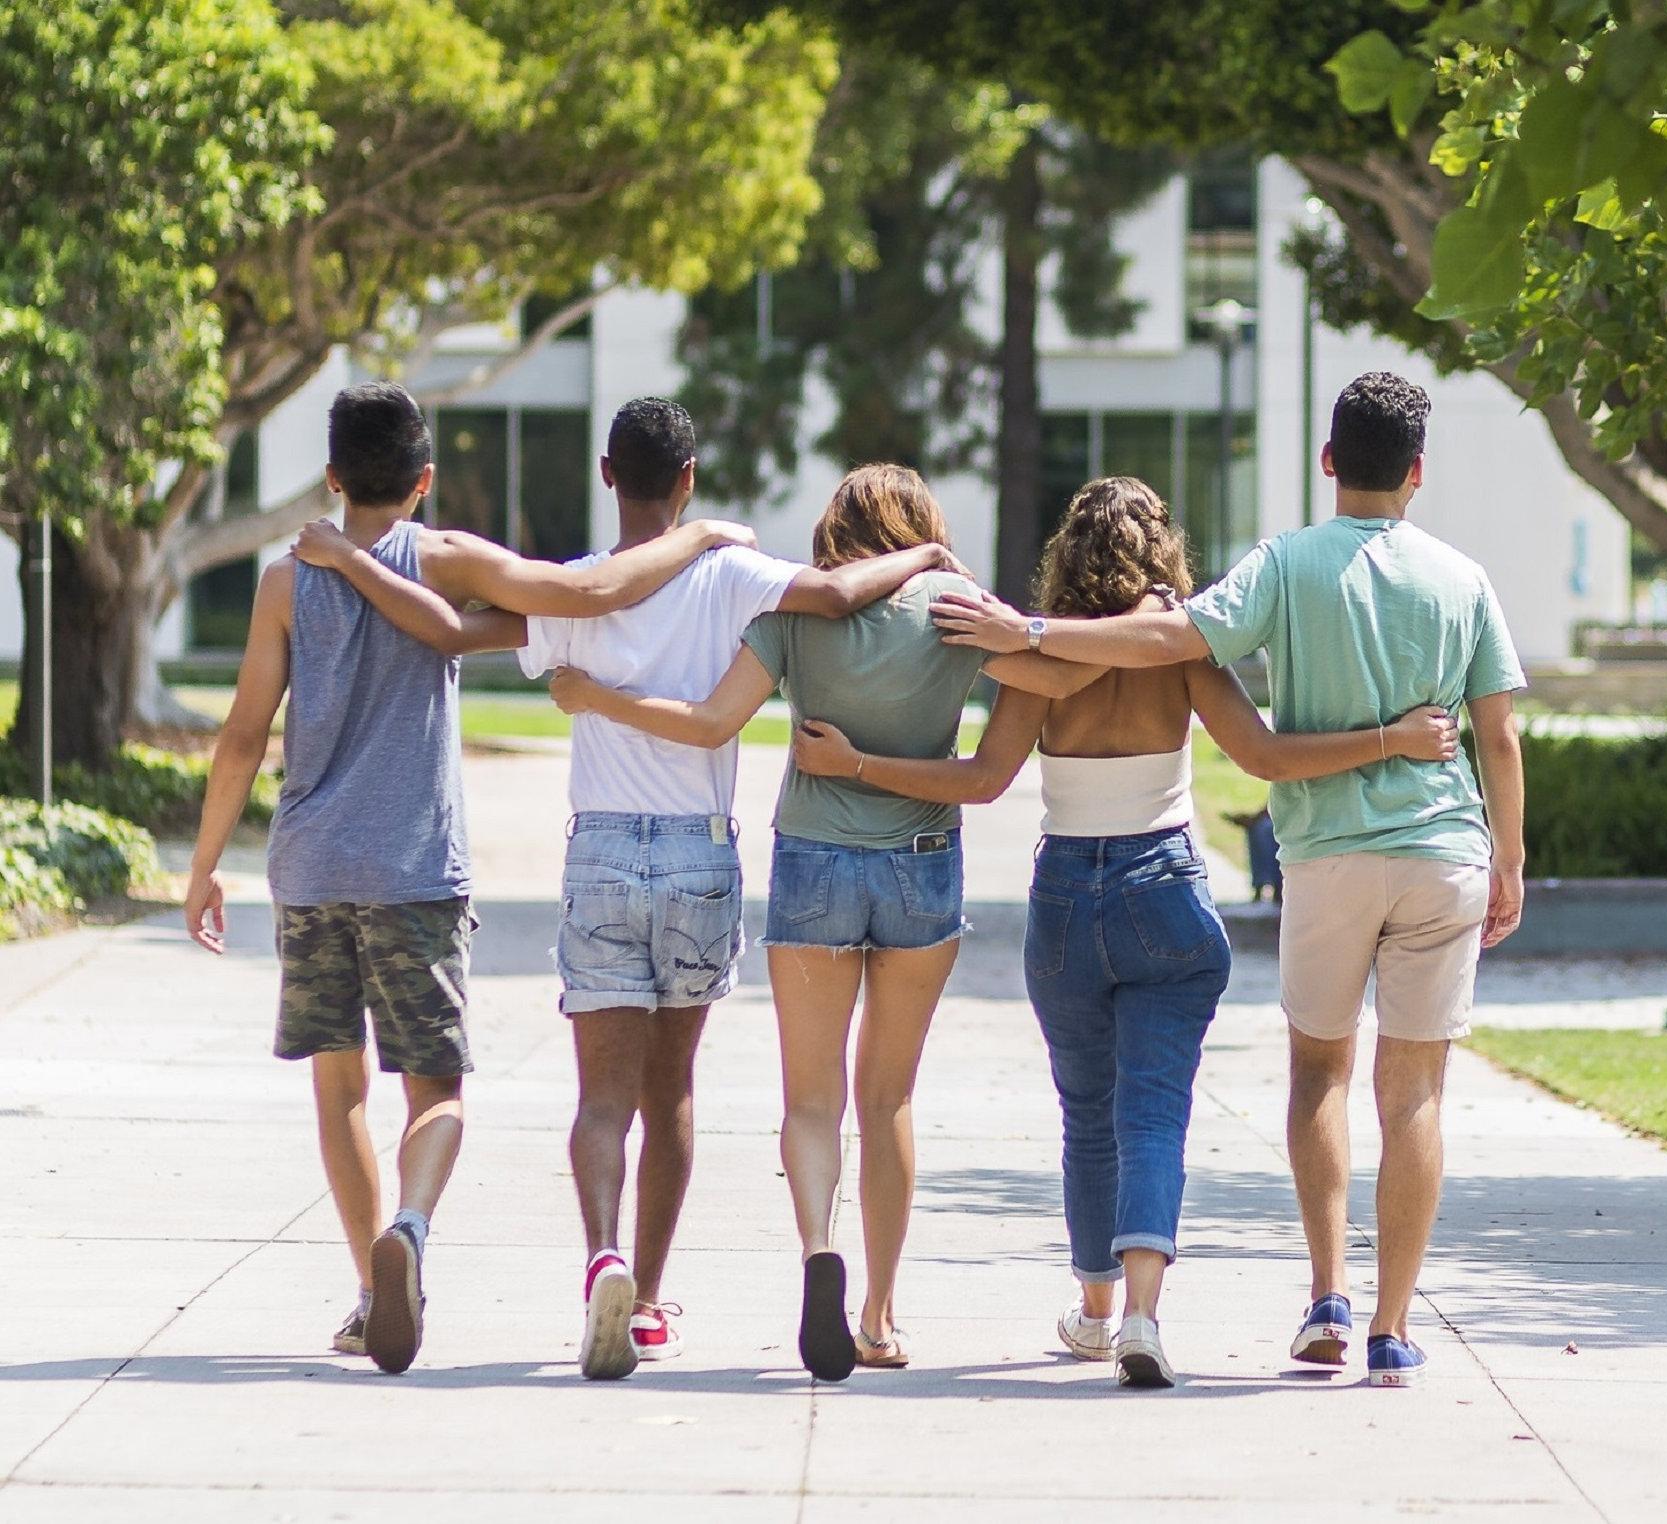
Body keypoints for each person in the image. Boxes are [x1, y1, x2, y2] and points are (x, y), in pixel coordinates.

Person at [302, 399, 961, 1379]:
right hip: (698, 860)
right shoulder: (736, 573)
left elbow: (448, 632)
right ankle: (648, 1303)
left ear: (609, 474)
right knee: (672, 1095)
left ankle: (601, 1255)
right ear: (688, 476)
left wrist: (354, 564)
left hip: (600, 856)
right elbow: (832, 597)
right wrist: (923, 557)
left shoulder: (572, 590)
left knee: (601, 1098)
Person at [792, 474, 1459, 1387]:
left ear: (1068, 553)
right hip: (1165, 888)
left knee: (1087, 1115)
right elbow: (1262, 756)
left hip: (1067, 894)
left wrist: (858, 764)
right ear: (1160, 551)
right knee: (1154, 1109)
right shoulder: (1176, 649)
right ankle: (1145, 1313)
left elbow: (982, 780)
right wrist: (1394, 738)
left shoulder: (1035, 650)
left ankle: (1097, 1310)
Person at [931, 374, 1528, 1389]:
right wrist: (1509, 856)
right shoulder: (1465, 579)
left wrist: (1018, 637)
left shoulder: (1282, 566)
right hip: (1427, 852)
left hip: (1301, 864)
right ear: (1418, 472)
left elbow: (1142, 666)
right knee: (1411, 1088)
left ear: (1329, 460)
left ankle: (1310, 1296)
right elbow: (1496, 737)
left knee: (1295, 1078)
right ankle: (1385, 1327)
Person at [184, 382, 752, 1375]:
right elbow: (589, 592)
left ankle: (373, 1288)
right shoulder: (442, 556)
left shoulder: (286, 580)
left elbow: (241, 736)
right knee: (435, 1095)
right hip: (413, 869)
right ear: (425, 478)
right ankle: (408, 1222)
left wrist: (202, 868)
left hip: (310, 868)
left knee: (340, 1090)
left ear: (331, 476)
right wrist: (700, 536)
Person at [546, 463, 1082, 1381]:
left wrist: (598, 698)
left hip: (812, 871)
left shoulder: (800, 613)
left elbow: (714, 721)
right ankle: (876, 1313)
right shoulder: (958, 608)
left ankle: (814, 1255)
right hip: (920, 873)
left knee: (811, 1100)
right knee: (890, 1100)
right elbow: (1024, 728)